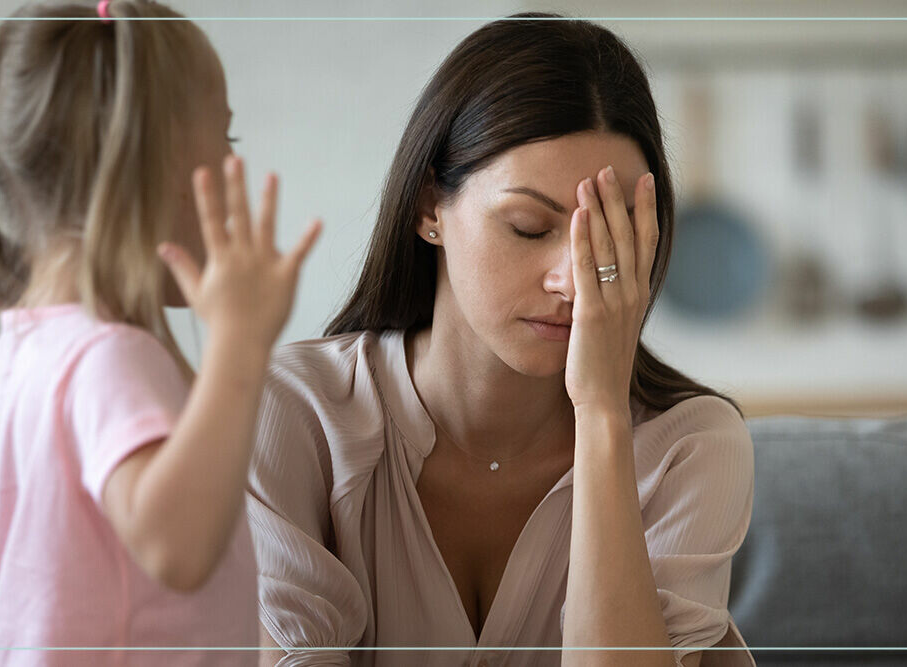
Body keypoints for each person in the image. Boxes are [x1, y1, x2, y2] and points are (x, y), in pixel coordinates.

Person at [248, 13, 755, 667]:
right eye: (527, 226)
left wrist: (601, 414)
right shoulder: (291, 414)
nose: (573, 280)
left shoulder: (692, 444)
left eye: (609, 235)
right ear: (430, 206)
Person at [0, 1, 320, 664]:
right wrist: (239, 345)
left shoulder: (16, 357)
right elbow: (177, 546)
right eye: (226, 141)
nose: (235, 164)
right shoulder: (111, 357)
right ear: (150, 169)